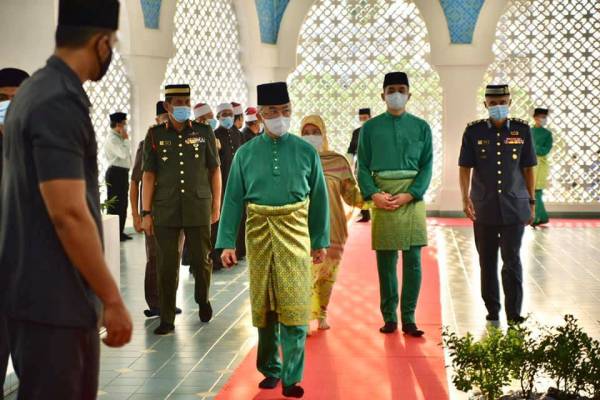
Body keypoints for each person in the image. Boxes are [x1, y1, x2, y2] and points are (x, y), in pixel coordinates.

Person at [0, 1, 133, 398]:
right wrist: (111, 297)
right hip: (55, 300)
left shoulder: (35, 90)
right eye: (112, 43)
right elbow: (69, 213)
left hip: (35, 296)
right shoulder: (58, 100)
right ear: (100, 43)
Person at [217, 82, 329, 398]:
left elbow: (319, 199)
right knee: (264, 308)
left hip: (295, 233)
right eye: (273, 112)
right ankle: (270, 369)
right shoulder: (245, 153)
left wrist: (320, 240)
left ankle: (292, 377)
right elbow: (233, 199)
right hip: (259, 233)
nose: (280, 117)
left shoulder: (306, 151)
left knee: (295, 305)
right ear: (262, 115)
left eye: (285, 111)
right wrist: (227, 242)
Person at [357, 72, 433, 337]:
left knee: (413, 261)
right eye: (391, 90)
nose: (396, 94)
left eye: (401, 89)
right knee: (386, 262)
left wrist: (412, 194)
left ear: (409, 95)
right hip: (383, 197)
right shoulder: (370, 128)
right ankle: (389, 317)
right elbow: (362, 166)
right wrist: (373, 195)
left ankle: (409, 318)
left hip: (411, 199)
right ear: (383, 95)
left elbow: (427, 166)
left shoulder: (422, 127)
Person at [141, 84, 221, 335]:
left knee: (201, 260)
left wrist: (216, 203)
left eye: (187, 101)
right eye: (178, 102)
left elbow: (214, 169)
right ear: (167, 106)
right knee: (166, 264)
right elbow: (149, 175)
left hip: (198, 206)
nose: (184, 107)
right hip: (166, 209)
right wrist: (145, 213)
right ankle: (166, 317)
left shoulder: (204, 131)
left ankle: (202, 299)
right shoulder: (155, 135)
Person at [458, 84, 537, 326]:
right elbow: (465, 167)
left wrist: (532, 202)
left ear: (510, 102)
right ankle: (492, 309)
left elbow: (528, 168)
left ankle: (514, 313)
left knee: (512, 259)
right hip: (484, 207)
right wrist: (465, 198)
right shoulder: (474, 132)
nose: (498, 107)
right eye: (493, 103)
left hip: (514, 206)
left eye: (502, 102)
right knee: (487, 260)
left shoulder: (522, 130)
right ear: (485, 105)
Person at [300, 115, 362, 331]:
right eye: (305, 133)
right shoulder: (297, 160)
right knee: (306, 272)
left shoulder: (337, 161)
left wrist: (374, 199)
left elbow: (351, 195)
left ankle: (322, 312)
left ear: (323, 134)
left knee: (327, 275)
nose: (310, 137)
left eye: (315, 132)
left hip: (333, 226)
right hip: (302, 228)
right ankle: (306, 316)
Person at [130, 100, 181, 318]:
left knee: (175, 256)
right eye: (164, 118)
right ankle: (155, 303)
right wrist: (136, 215)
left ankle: (169, 299)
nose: (168, 122)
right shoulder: (146, 144)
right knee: (156, 257)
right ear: (157, 120)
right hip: (154, 211)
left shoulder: (183, 144)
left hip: (178, 210)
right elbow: (135, 182)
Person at [0, 67, 29, 400]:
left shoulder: (40, 146)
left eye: (15, 99)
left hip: (29, 280)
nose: (8, 105)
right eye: (2, 98)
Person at [211, 103, 243, 269]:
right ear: (218, 117)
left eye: (230, 113)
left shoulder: (238, 134)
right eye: (224, 114)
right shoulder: (214, 135)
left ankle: (236, 253)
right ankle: (217, 258)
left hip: (238, 182)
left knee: (236, 218)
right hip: (221, 185)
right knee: (219, 221)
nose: (228, 117)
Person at [105, 111, 132, 241]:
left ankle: (120, 232)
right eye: (124, 123)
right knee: (115, 204)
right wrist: (126, 139)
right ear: (118, 125)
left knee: (123, 204)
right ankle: (113, 234)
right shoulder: (113, 139)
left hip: (122, 174)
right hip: (115, 173)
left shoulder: (119, 138)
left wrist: (125, 139)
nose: (126, 125)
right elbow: (123, 154)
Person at [348, 108, 372, 223]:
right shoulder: (356, 132)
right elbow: (351, 149)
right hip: (361, 164)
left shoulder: (376, 130)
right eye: (361, 118)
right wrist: (348, 163)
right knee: (362, 189)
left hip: (375, 163)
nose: (363, 120)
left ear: (370, 117)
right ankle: (365, 215)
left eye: (365, 118)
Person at [531, 108, 553, 226]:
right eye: (541, 117)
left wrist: (534, 148)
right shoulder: (528, 131)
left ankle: (536, 218)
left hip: (541, 166)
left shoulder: (547, 134)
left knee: (537, 191)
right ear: (534, 118)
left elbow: (545, 150)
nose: (543, 119)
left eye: (545, 117)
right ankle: (542, 217)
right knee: (532, 192)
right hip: (529, 165)